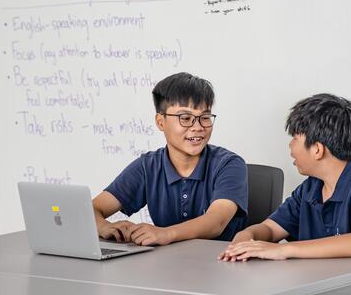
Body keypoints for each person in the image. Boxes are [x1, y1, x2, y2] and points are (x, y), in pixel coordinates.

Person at [220, 93, 351, 261]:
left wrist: (284, 250)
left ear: (317, 149)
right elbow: (270, 229)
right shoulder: (310, 189)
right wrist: (247, 237)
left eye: (295, 139)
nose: (290, 147)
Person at [93, 72, 248, 246]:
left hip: (221, 264)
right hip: (167, 266)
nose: (198, 127)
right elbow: (92, 208)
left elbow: (216, 222)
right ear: (161, 122)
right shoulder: (147, 166)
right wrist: (103, 226)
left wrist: (165, 234)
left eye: (205, 117)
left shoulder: (229, 164)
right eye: (186, 118)